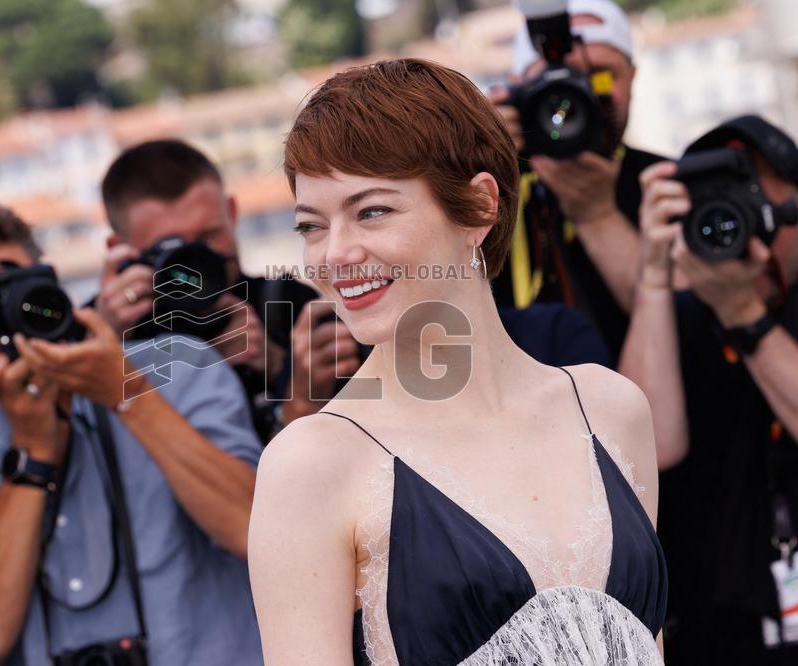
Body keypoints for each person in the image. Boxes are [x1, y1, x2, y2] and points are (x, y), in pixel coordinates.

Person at [248, 58, 667, 665]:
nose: (335, 255)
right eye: (312, 227)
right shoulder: (313, 465)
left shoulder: (610, 408)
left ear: (478, 207)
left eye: (372, 211)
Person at [0, 203, 263, 665]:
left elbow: (252, 531)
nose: (19, 314)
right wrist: (32, 454)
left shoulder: (178, 365)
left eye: (23, 288)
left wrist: (127, 393)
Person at [621, 115, 798, 665]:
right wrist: (654, 275)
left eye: (759, 209)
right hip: (720, 630)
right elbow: (644, 450)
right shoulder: (684, 314)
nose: (740, 231)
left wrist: (744, 314)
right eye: (718, 210)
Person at [98, 139, 360, 442]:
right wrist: (108, 345)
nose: (196, 263)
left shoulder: (287, 307)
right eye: (173, 250)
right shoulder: (102, 330)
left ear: (232, 213)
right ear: (119, 249)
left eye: (209, 238)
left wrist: (280, 368)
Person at [490, 0, 670, 358]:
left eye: (600, 75)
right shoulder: (485, 187)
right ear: (517, 89)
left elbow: (687, 325)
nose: (574, 97)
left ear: (632, 77)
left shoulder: (666, 185)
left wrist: (596, 215)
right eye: (553, 78)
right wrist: (466, 154)